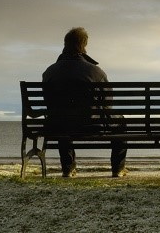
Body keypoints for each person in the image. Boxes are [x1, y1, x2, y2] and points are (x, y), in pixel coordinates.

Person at [42, 27, 127, 177]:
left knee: (62, 118)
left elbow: (49, 103)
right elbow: (108, 104)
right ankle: (118, 169)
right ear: (84, 45)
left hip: (59, 125)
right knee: (120, 122)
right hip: (92, 125)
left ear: (65, 44)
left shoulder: (50, 71)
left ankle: (68, 168)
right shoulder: (96, 71)